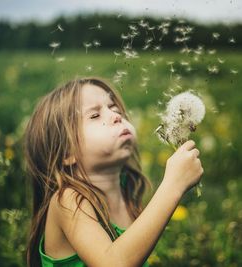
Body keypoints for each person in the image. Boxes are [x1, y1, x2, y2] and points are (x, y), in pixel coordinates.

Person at [24, 77, 204, 267]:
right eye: (95, 116)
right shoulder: (68, 200)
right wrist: (173, 186)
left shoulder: (127, 192)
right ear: (67, 152)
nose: (115, 116)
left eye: (115, 109)